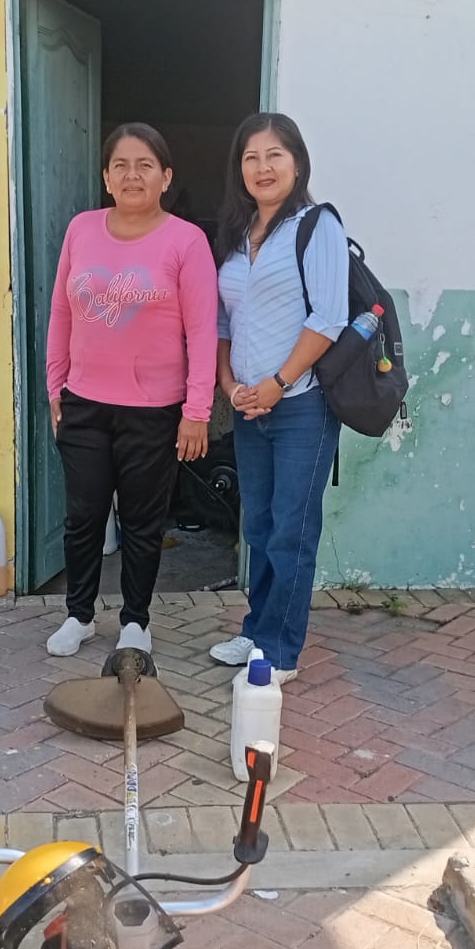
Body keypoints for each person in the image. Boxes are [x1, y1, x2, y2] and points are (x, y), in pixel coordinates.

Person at [45, 123, 217, 657]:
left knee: (142, 523)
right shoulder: (81, 229)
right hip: (83, 403)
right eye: (120, 165)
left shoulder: (186, 241)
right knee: (83, 518)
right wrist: (55, 387)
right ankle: (78, 615)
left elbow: (203, 331)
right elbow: (60, 312)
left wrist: (197, 409)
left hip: (154, 409)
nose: (132, 175)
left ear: (166, 177)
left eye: (145, 165)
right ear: (106, 177)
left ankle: (135, 622)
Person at [209, 114, 349, 682]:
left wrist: (279, 383)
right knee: (260, 528)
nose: (262, 168)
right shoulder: (238, 234)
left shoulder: (317, 226)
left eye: (274, 155)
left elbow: (329, 318)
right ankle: (257, 630)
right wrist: (229, 385)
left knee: (292, 529)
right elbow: (224, 320)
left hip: (301, 408)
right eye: (251, 157)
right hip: (249, 408)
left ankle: (281, 651)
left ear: (297, 163)